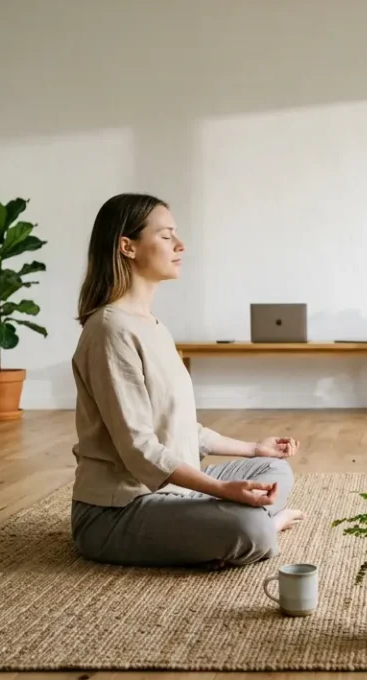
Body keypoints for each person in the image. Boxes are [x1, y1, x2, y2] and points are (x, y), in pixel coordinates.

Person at [68, 192, 305, 569]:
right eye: (165, 236)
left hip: (171, 492)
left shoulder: (153, 326)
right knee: (248, 526)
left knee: (274, 470)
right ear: (127, 247)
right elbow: (138, 448)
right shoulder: (109, 330)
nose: (180, 245)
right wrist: (221, 490)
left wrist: (252, 449)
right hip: (116, 512)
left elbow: (180, 427)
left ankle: (226, 525)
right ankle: (262, 529)